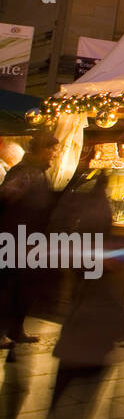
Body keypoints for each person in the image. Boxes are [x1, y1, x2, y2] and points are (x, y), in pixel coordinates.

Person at [43, 171, 124, 419]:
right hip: (91, 328)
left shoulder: (87, 233)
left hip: (91, 328)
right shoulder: (94, 241)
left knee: (69, 396)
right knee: (73, 396)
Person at [0, 132, 56, 348]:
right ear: (37, 150)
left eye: (54, 149)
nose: (53, 153)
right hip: (16, 237)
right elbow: (6, 197)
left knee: (26, 287)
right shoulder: (25, 173)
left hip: (32, 238)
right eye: (49, 148)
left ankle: (16, 329)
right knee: (8, 286)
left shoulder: (39, 172)